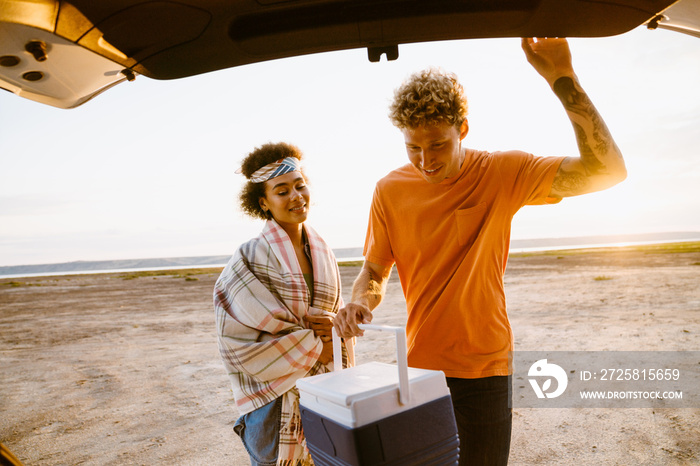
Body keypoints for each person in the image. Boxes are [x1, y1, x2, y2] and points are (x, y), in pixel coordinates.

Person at [333, 37, 627, 465]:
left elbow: (608, 171)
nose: (425, 159)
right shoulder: (389, 190)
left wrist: (562, 79)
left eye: (437, 145)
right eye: (413, 147)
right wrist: (358, 301)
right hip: (420, 368)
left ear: (462, 129)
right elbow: (376, 271)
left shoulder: (502, 171)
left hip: (485, 368)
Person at [214, 142, 352, 466]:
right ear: (263, 202)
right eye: (282, 190)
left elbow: (338, 317)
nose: (296, 196)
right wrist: (318, 345)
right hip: (272, 404)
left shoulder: (324, 252)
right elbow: (235, 336)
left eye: (299, 185)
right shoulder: (249, 256)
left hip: (322, 393)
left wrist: (335, 331)